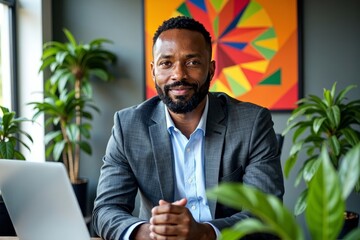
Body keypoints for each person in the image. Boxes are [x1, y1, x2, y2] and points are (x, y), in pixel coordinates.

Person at [92, 16, 284, 240]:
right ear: (154, 71)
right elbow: (105, 211)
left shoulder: (251, 123)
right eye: (166, 63)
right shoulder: (128, 126)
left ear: (211, 70)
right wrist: (154, 233)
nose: (179, 75)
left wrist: (202, 233)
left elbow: (266, 215)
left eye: (192, 62)